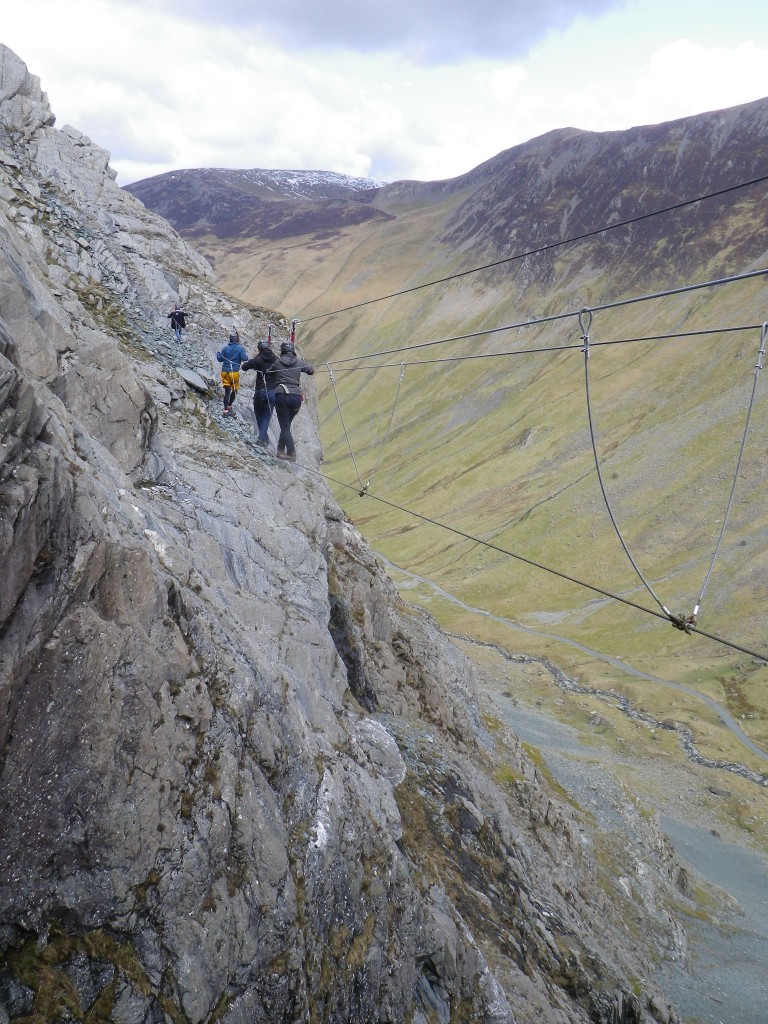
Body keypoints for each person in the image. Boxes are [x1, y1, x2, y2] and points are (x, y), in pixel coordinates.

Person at [271, 341, 314, 461]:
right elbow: (310, 371)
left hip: (282, 395)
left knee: (284, 427)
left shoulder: (277, 362)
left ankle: (291, 452)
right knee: (286, 425)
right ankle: (280, 450)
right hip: (296, 397)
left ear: (282, 350)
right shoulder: (298, 362)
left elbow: (269, 371)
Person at [241, 339, 278, 446]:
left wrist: (255, 365)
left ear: (259, 349)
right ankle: (263, 436)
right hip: (272, 391)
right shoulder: (276, 359)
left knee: (258, 413)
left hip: (260, 391)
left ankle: (262, 438)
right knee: (267, 415)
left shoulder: (257, 359)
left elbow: (244, 367)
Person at [216, 329, 249, 416]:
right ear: (237, 340)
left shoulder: (225, 348)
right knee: (235, 389)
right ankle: (230, 406)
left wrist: (218, 354)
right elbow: (245, 358)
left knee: (227, 391)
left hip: (225, 372)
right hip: (234, 372)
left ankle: (225, 410)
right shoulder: (240, 348)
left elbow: (219, 359)